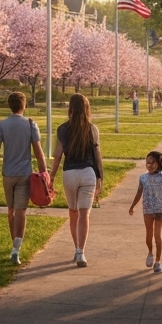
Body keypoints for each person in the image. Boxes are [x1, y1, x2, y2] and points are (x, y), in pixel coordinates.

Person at [0, 91, 47, 265]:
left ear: (9, 106)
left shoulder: (1, 125)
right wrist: (44, 174)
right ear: (24, 105)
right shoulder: (30, 124)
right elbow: (38, 152)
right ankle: (16, 248)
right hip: (24, 173)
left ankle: (14, 245)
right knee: (21, 211)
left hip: (8, 174)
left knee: (11, 210)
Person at [50, 94, 104, 268]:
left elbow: (57, 155)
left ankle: (76, 248)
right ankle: (81, 252)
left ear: (70, 109)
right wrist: (100, 177)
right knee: (84, 215)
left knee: (73, 212)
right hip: (88, 173)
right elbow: (97, 156)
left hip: (69, 174)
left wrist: (51, 177)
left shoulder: (62, 129)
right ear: (87, 109)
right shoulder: (92, 129)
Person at [130, 151, 162, 273]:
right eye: (148, 162)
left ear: (158, 163)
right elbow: (139, 193)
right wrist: (132, 206)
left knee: (157, 236)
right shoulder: (143, 178)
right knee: (149, 235)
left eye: (153, 163)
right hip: (147, 209)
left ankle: (158, 262)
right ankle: (150, 253)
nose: (150, 165)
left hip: (160, 209)